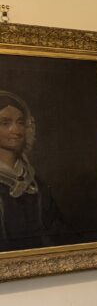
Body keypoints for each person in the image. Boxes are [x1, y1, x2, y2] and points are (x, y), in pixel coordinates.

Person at [0, 91, 64, 252]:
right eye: (5, 123)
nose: (16, 130)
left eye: (20, 122)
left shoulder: (37, 184)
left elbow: (58, 234)